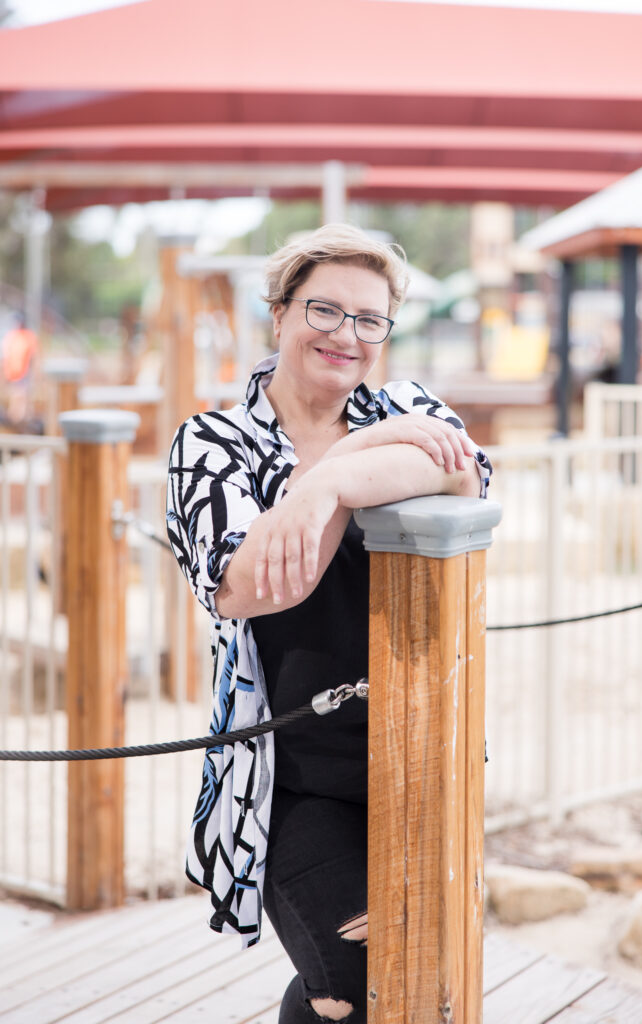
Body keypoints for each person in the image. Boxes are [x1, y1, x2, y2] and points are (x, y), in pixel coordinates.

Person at [166, 224, 492, 1023]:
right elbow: (252, 586)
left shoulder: (409, 407)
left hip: (421, 759)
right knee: (354, 974)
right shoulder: (212, 444)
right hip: (293, 778)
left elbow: (463, 470)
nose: (346, 335)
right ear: (278, 313)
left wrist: (325, 484)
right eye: (324, 310)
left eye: (368, 319)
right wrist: (347, 469)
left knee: (424, 966)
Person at [1, 313, 39, 425]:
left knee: (21, 397)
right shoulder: (11, 337)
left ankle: (19, 421)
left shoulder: (28, 336)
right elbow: (6, 357)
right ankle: (16, 421)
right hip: (13, 374)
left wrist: (36, 374)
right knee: (17, 398)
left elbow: (34, 357)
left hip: (24, 374)